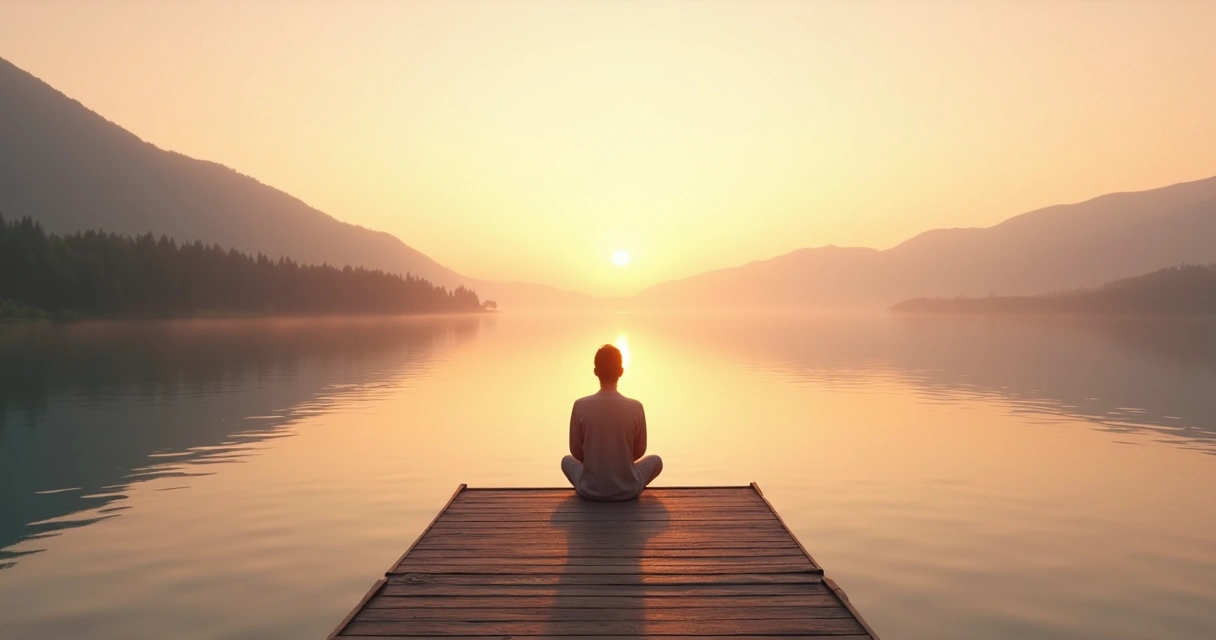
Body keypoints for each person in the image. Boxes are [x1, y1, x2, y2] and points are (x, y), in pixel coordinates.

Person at [561, 344, 663, 501]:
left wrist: (597, 460)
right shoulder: (636, 407)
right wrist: (619, 460)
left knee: (566, 461)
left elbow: (576, 452)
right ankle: (622, 478)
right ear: (621, 372)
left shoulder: (580, 405)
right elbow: (639, 451)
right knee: (656, 460)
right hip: (628, 489)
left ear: (595, 372)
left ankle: (597, 478)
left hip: (589, 489)